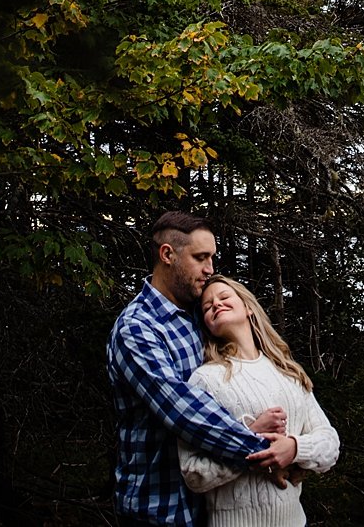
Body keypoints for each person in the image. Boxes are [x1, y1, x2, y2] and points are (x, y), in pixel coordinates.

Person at [108, 210, 299, 527]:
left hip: (212, 506)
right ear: (168, 254)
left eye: (212, 258)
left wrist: (294, 447)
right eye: (200, 258)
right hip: (159, 509)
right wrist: (263, 450)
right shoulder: (137, 328)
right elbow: (181, 409)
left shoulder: (203, 316)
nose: (210, 270)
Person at [179, 275, 340, 527]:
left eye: (223, 297)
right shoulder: (205, 380)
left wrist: (293, 449)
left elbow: (330, 444)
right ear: (206, 325)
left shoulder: (287, 372)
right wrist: (250, 440)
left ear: (249, 308)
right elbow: (193, 473)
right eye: (207, 306)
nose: (215, 305)